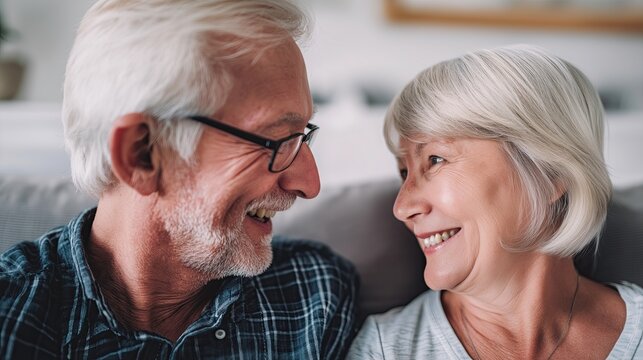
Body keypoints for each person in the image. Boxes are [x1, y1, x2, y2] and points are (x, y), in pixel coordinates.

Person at [0, 1, 358, 358]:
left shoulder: (315, 299)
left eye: (302, 135)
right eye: (277, 140)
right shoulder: (13, 318)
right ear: (142, 154)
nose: (310, 183)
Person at [348, 45, 643, 359]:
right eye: (404, 172)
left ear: (550, 174)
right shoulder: (384, 349)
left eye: (435, 159)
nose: (402, 207)